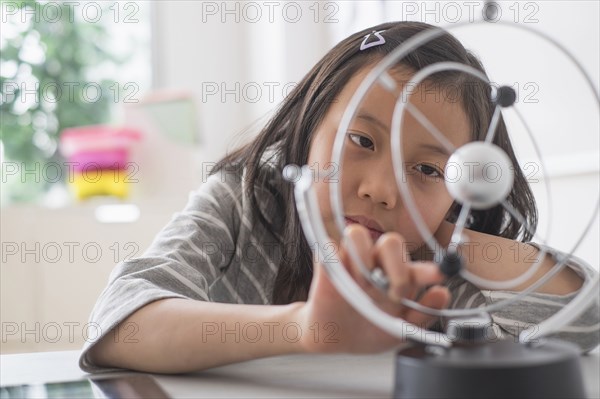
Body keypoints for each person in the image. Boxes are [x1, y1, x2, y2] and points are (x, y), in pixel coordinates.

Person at [80, 21, 599, 374]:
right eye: (363, 140)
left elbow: (580, 318)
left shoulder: (431, 270)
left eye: (427, 169)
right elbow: (121, 324)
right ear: (307, 127)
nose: (379, 189)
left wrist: (448, 234)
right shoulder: (244, 200)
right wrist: (307, 330)